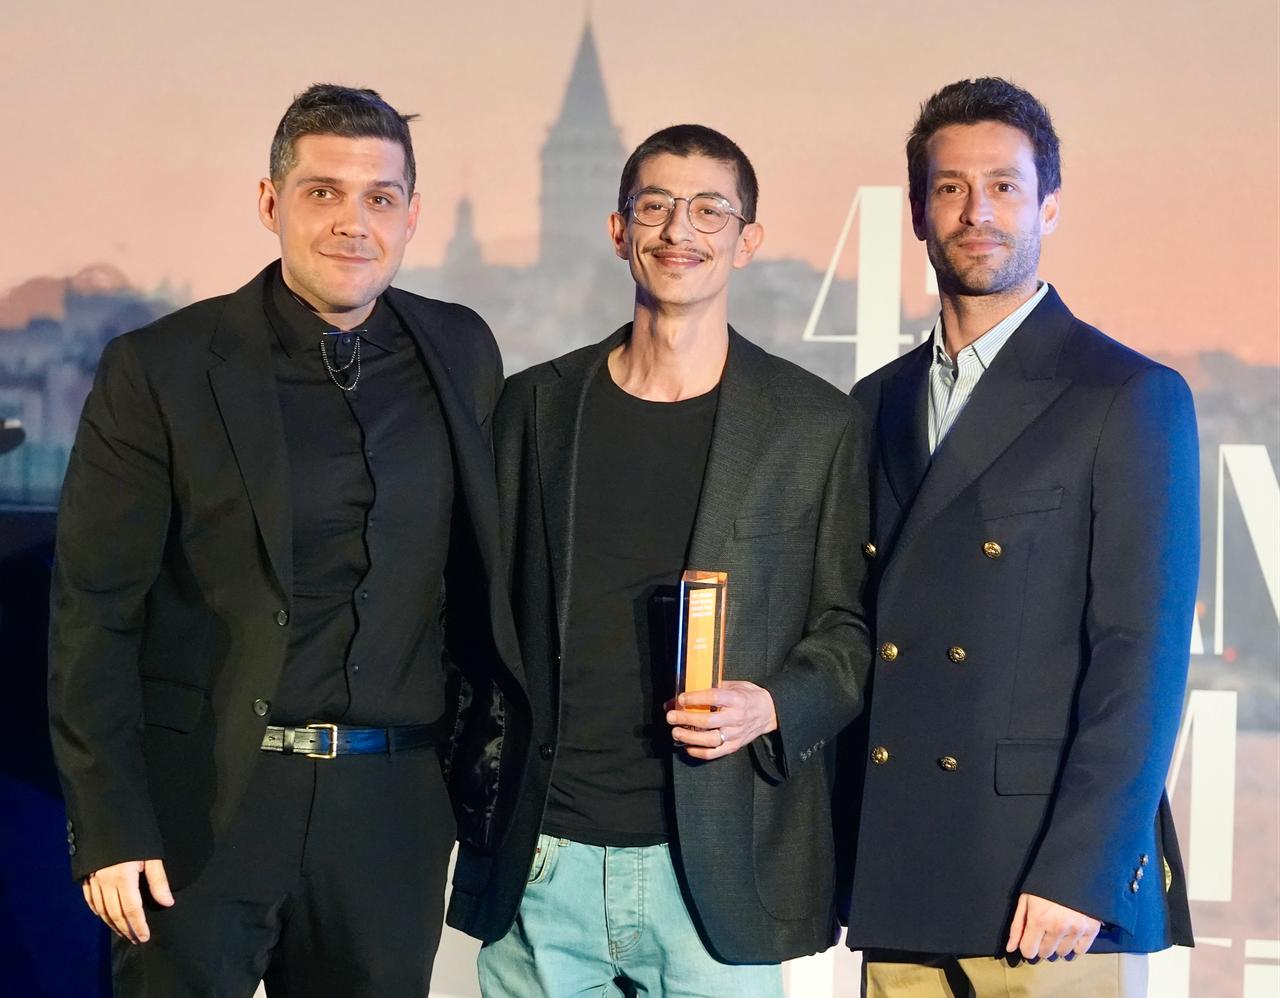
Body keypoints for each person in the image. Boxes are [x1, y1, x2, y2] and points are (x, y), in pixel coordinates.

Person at [48, 83, 527, 996]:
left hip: (391, 813)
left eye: (380, 197)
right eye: (323, 192)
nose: (354, 222)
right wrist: (110, 824)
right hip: (206, 808)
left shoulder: (462, 349)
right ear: (270, 203)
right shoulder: (162, 367)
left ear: (413, 215)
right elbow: (93, 614)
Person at [445, 124, 872, 996]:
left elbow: (851, 631)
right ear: (618, 230)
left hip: (715, 874)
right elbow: (474, 616)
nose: (682, 230)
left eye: (711, 209)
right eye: (657, 206)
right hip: (543, 868)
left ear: (747, 240)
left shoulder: (814, 426)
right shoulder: (534, 408)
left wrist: (773, 705)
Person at [843, 77, 1197, 996]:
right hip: (907, 875)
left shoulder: (1125, 394)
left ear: (1050, 204)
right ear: (919, 212)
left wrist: (1081, 870)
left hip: (1049, 903)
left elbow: (1142, 657)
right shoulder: (873, 404)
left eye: (1004, 186)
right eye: (951, 187)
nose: (977, 212)